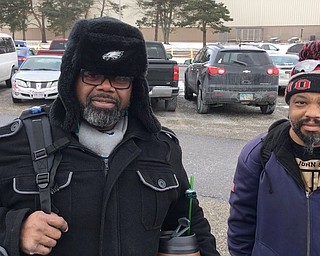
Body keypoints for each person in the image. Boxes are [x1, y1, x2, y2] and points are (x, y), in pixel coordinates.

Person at [0, 17, 220, 256]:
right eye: (93, 75)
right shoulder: (18, 142)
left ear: (135, 86)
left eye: (120, 78)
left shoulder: (161, 148)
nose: (106, 87)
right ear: (70, 78)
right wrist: (15, 229)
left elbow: (189, 219)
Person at [227, 70, 320, 255]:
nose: (312, 113)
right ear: (289, 107)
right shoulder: (258, 154)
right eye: (301, 102)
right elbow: (241, 222)